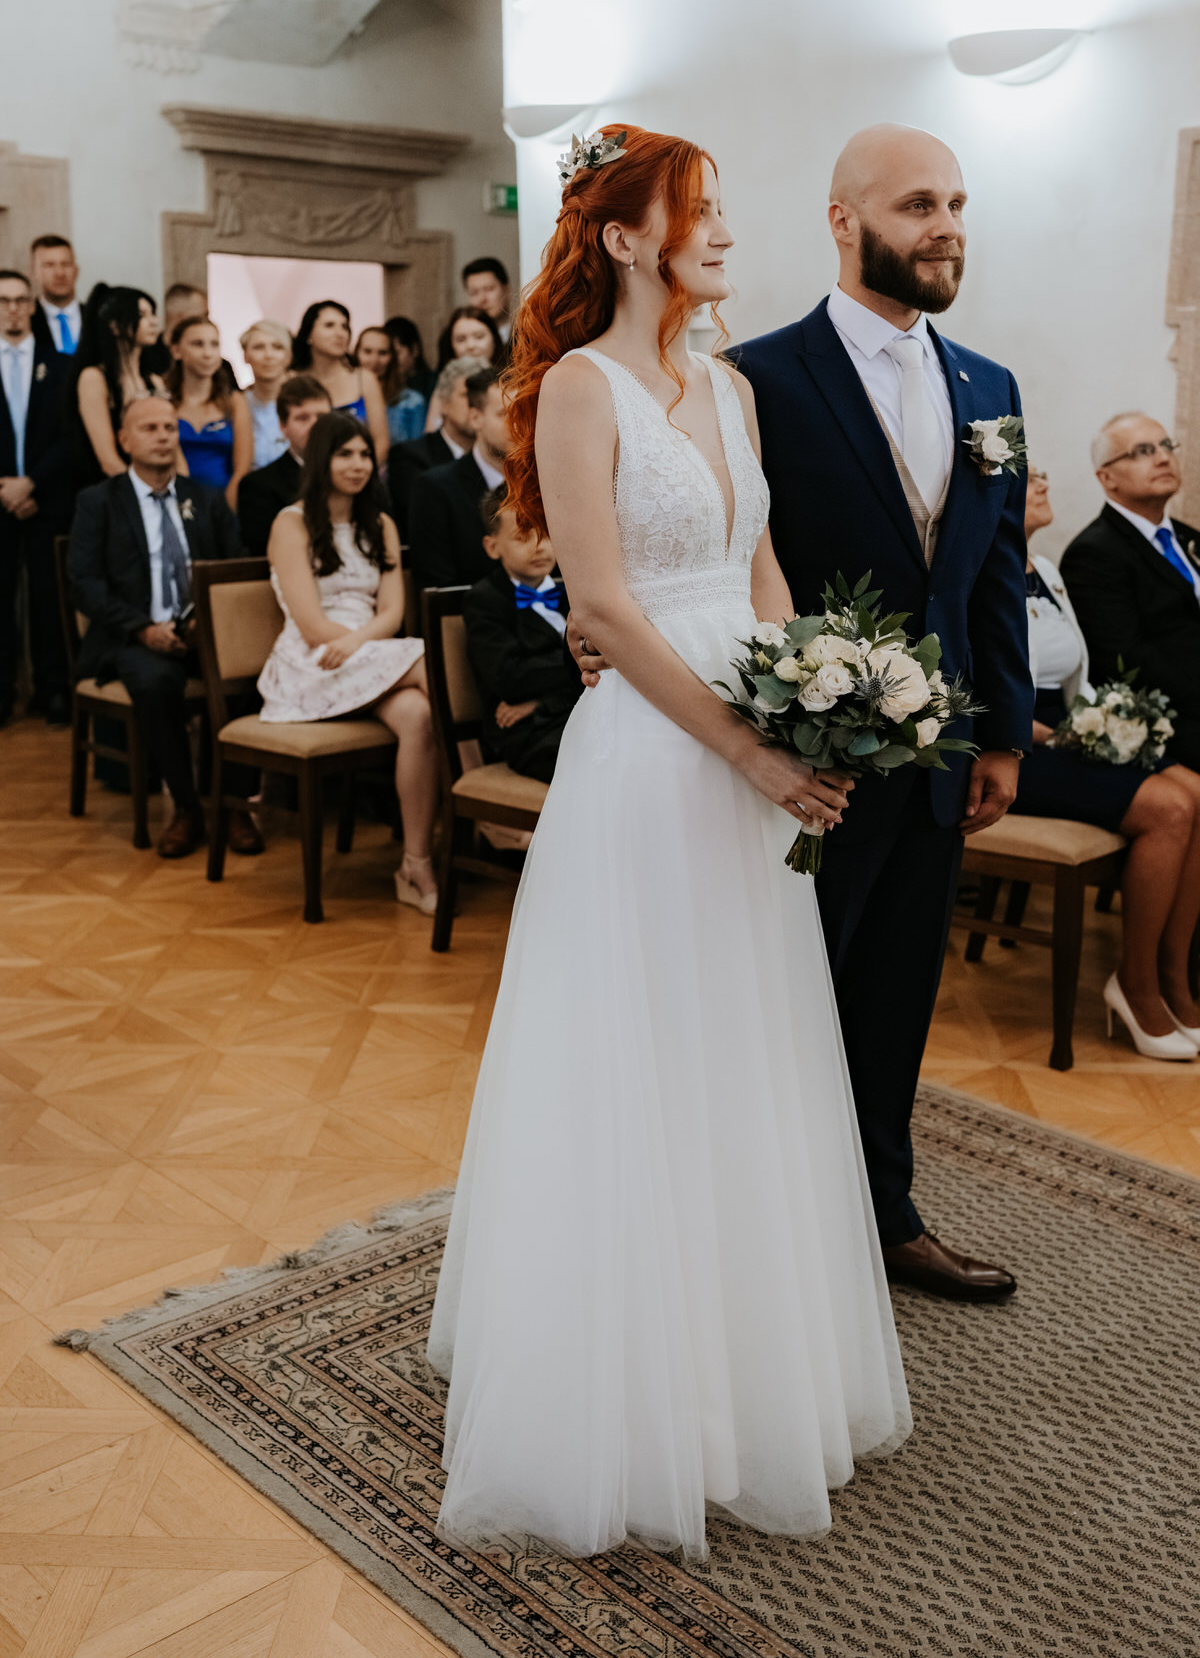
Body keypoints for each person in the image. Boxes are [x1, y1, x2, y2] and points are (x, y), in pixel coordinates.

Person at [427, 125, 910, 1560]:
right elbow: (612, 610)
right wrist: (750, 742)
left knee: (741, 1043)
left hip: (753, 733)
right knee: (637, 1050)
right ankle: (622, 1386)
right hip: (654, 750)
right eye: (698, 211)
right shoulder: (579, 389)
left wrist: (816, 699)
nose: (723, 233)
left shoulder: (731, 384)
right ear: (629, 237)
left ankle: (745, 1363)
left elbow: (758, 562)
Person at [712, 123, 1031, 1304]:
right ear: (844, 222)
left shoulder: (989, 386)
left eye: (955, 202)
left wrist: (996, 733)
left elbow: (990, 572)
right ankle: (763, 1223)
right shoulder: (759, 376)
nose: (945, 226)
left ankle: (883, 1214)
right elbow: (731, 553)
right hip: (810, 761)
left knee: (897, 998)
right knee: (791, 997)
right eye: (915, 205)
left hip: (942, 757)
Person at [1019, 465, 1200, 1059]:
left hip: (1064, 731)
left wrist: (1105, 726)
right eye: (1026, 474)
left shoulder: (1045, 573)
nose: (1043, 480)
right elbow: (964, 683)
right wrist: (1047, 733)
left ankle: (1176, 977)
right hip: (1011, 746)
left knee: (1195, 790)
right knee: (1169, 807)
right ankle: (1136, 983)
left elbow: (1078, 676)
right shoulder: (973, 577)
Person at [68, 397, 263, 859]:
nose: (162, 437)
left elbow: (234, 567)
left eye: (169, 429)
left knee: (253, 678)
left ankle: (233, 804)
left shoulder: (206, 499)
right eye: (150, 428)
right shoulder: (99, 501)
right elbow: (85, 585)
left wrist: (205, 622)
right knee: (157, 683)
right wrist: (141, 628)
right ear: (125, 439)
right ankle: (188, 808)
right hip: (132, 634)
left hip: (202, 633)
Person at [259, 411, 437, 913]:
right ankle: (485, 812)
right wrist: (360, 644)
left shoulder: (379, 523)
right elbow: (312, 625)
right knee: (434, 663)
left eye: (364, 454)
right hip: (312, 661)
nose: (358, 464)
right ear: (322, 459)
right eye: (345, 454)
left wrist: (363, 642)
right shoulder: (289, 523)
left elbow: (394, 611)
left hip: (368, 650)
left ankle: (415, 863)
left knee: (422, 716)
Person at [1061, 413, 1200, 773]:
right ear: (1106, 477)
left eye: (1167, 445)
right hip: (1172, 720)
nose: (1163, 457)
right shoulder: (1093, 554)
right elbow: (1126, 660)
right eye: (1142, 451)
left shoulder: (1189, 538)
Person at [464, 486, 581, 782]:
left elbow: (609, 663)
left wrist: (542, 700)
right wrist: (575, 661)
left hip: (568, 712)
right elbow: (511, 677)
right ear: (493, 547)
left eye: (544, 533)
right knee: (594, 760)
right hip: (528, 733)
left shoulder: (574, 593)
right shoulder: (486, 600)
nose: (538, 546)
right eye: (522, 537)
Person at [0, 269, 74, 725]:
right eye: (3, 300)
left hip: (48, 501)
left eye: (20, 300)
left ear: (32, 306)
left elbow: (71, 438)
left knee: (52, 601)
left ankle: (54, 691)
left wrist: (33, 484)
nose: (12, 308)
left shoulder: (62, 366)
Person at [407, 364, 509, 592]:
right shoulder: (436, 488)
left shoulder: (545, 482)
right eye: (504, 414)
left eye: (524, 413)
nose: (519, 424)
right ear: (475, 418)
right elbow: (438, 587)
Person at [74, 284, 169, 480]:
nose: (154, 322)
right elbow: (108, 460)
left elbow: (173, 449)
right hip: (111, 488)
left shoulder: (154, 381)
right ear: (115, 326)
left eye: (153, 314)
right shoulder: (94, 378)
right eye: (143, 315)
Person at [386, 355, 487, 537]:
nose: (476, 405)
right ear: (444, 404)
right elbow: (429, 524)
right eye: (467, 395)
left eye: (482, 397)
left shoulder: (501, 456)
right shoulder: (409, 457)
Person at [238, 374, 331, 556]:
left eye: (322, 416)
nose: (315, 426)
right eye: (303, 418)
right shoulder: (258, 486)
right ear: (282, 425)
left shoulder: (356, 473)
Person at [166, 316, 253, 507]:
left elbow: (242, 467)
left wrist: (225, 512)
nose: (208, 353)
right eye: (198, 344)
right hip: (172, 500)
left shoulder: (234, 402)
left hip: (223, 500)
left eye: (214, 345)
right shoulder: (164, 402)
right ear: (176, 351)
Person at [293, 301, 389, 466]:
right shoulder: (294, 381)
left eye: (344, 326)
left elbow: (381, 442)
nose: (340, 333)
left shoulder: (364, 379)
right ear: (309, 334)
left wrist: (360, 474)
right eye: (329, 325)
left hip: (359, 475)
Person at [355, 325, 424, 445]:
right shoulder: (345, 398)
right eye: (367, 351)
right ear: (356, 353)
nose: (374, 360)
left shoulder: (412, 402)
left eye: (382, 353)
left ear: (392, 357)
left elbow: (418, 451)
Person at [240, 320, 293, 468]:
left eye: (277, 347)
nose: (268, 355)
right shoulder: (238, 404)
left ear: (289, 357)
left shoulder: (305, 403)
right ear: (245, 355)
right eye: (259, 347)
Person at [30, 235, 82, 355]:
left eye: (66, 264)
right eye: (49, 265)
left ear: (76, 270)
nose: (59, 273)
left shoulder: (96, 317)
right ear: (34, 272)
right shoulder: (26, 321)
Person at [434, 305, 502, 374]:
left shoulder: (510, 379)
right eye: (461, 339)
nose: (470, 346)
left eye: (479, 337)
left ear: (494, 339)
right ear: (451, 345)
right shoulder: (442, 381)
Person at [384, 314, 436, 404]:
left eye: (397, 353)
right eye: (387, 353)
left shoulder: (434, 385)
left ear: (415, 349)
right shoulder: (385, 387)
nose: (391, 360)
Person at [462, 256, 512, 344]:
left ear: (506, 289)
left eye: (489, 289)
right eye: (474, 293)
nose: (482, 299)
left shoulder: (524, 335)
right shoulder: (465, 344)